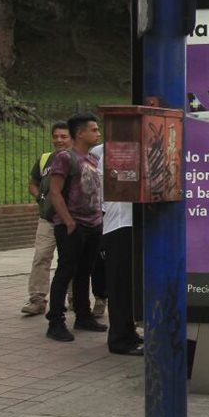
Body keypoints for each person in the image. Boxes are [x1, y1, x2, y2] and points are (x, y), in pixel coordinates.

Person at [43, 113, 106, 342]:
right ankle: (56, 321)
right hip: (72, 225)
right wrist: (68, 221)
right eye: (94, 130)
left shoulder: (92, 159)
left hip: (93, 223)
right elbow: (55, 191)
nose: (98, 134)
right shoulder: (65, 158)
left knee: (84, 272)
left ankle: (83, 315)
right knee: (66, 271)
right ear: (80, 133)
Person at [92, 143, 142, 355]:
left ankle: (127, 332)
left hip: (125, 226)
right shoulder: (119, 155)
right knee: (121, 286)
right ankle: (120, 339)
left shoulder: (116, 153)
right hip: (121, 226)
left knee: (128, 285)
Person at [21, 121, 71, 316]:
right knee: (41, 257)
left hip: (70, 219)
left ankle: (75, 298)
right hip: (48, 219)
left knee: (70, 260)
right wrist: (40, 197)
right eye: (55, 136)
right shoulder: (45, 159)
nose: (58, 140)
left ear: (72, 137)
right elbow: (33, 183)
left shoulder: (78, 160)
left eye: (63, 136)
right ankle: (37, 299)